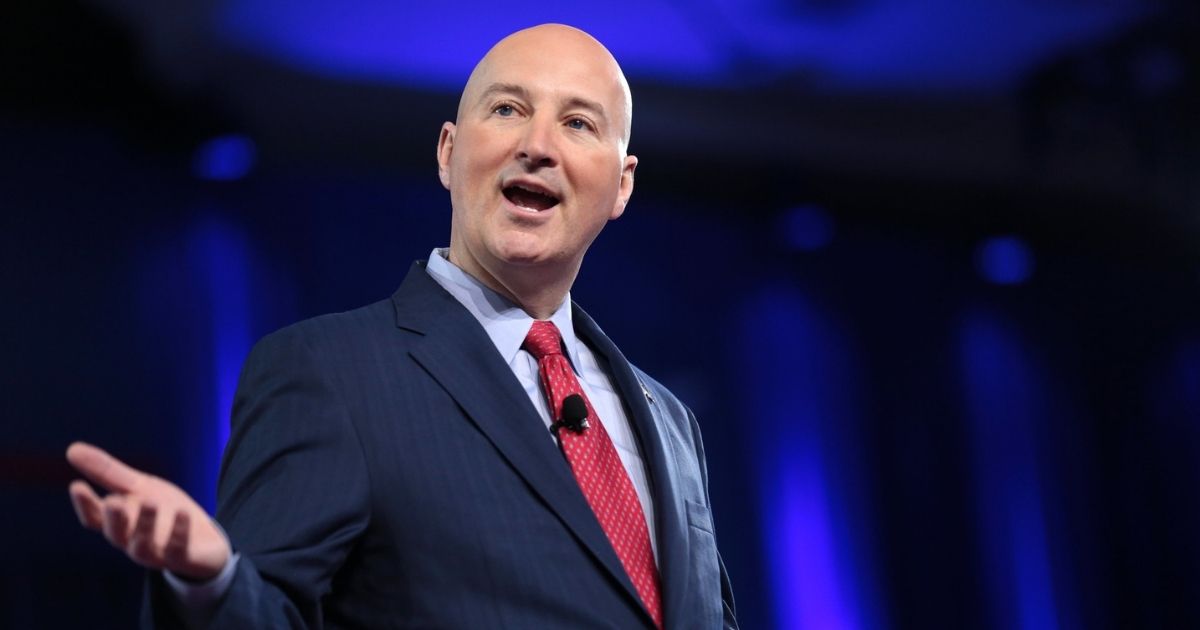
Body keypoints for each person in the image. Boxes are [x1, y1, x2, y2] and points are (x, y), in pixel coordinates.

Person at [67, 23, 738, 629]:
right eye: (507, 109)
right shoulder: (328, 372)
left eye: (579, 124)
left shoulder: (671, 422)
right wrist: (209, 581)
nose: (537, 145)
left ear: (621, 186)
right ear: (448, 151)